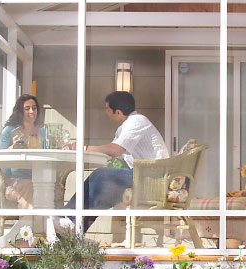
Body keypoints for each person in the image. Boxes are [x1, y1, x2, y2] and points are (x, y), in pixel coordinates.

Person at [59, 90, 169, 235]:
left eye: (107, 108)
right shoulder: (125, 127)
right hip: (141, 175)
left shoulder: (137, 122)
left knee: (101, 176)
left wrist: (81, 148)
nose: (105, 112)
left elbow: (115, 150)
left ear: (117, 112)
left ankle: (69, 217)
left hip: (152, 178)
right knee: (104, 196)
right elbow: (112, 157)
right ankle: (73, 232)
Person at [0, 94, 48, 209]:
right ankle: (28, 226)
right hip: (13, 182)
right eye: (27, 108)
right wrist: (12, 148)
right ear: (20, 111)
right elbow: (0, 158)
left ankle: (47, 225)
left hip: (39, 179)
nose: (32, 111)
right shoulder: (10, 131)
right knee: (29, 187)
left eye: (34, 108)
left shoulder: (42, 132)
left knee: (52, 188)